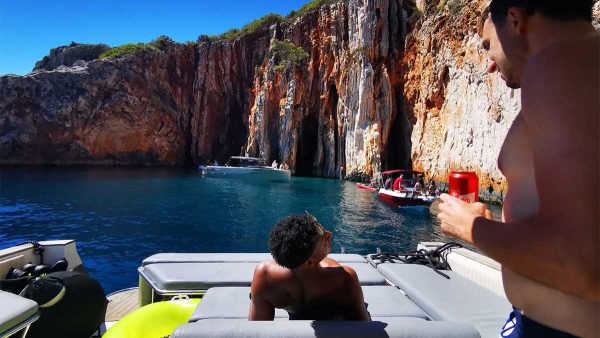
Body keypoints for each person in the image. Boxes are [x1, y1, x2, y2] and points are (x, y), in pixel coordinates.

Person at [437, 1, 598, 337]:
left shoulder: (558, 66)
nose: (490, 67)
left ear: (515, 20)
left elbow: (582, 264)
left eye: (487, 47)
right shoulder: (583, 63)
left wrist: (472, 228)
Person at [249, 214, 370, 321]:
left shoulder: (265, 277)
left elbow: (257, 329)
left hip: (297, 312)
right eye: (323, 237)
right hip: (331, 314)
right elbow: (362, 329)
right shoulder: (344, 279)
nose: (329, 234)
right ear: (310, 262)